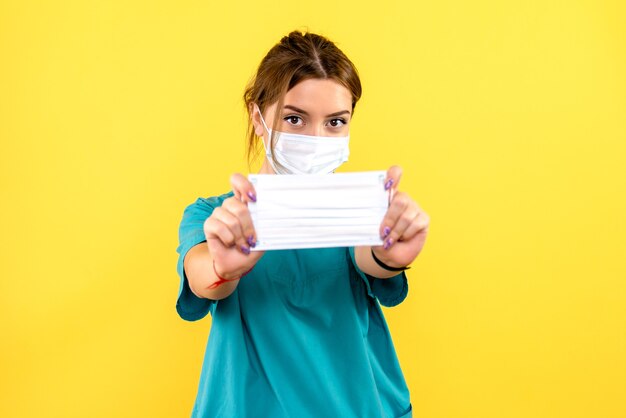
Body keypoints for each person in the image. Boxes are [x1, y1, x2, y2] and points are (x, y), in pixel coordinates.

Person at [176, 30, 430, 418]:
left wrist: (389, 255)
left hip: (360, 407)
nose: (316, 137)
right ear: (257, 117)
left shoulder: (361, 209)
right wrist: (222, 269)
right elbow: (201, 276)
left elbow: (370, 258)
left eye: (335, 122)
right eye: (294, 119)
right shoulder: (214, 217)